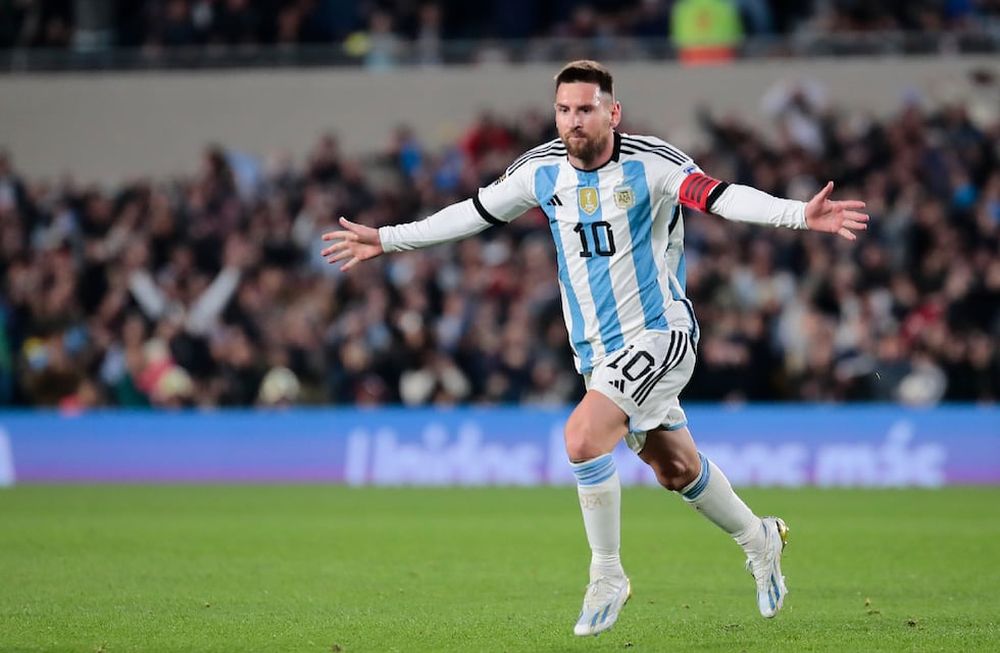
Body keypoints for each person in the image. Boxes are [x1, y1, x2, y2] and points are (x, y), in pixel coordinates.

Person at [321, 60, 869, 636]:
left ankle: (607, 573)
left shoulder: (652, 164)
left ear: (613, 111)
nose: (573, 121)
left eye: (585, 109)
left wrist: (797, 216)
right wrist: (386, 238)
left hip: (660, 333)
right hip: (596, 355)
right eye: (563, 110)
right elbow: (472, 214)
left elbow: (720, 197)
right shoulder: (541, 171)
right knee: (676, 469)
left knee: (582, 438)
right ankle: (759, 538)